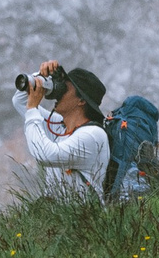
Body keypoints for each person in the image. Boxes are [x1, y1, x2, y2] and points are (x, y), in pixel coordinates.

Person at [16, 60, 111, 201]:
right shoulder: (60, 127)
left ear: (81, 101)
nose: (58, 92)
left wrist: (32, 108)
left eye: (64, 88)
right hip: (58, 218)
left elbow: (45, 154)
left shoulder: (93, 134)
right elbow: (19, 101)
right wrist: (40, 76)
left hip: (84, 218)